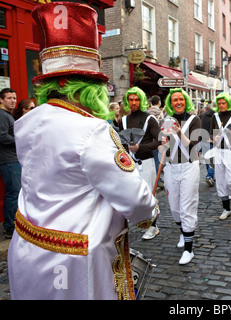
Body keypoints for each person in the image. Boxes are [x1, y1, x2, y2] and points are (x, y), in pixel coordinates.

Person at [7, 2, 157, 300]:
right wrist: (149, 213)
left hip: (27, 246)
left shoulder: (26, 122)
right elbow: (136, 199)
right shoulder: (91, 130)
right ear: (87, 88)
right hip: (74, 262)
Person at [159, 88, 201, 265]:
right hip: (171, 166)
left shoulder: (194, 119)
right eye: (174, 100)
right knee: (175, 208)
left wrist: (178, 132)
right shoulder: (165, 120)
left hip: (189, 166)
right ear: (171, 102)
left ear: (185, 101)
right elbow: (162, 148)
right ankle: (184, 233)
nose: (178, 102)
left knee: (186, 207)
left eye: (181, 99)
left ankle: (188, 249)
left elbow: (192, 145)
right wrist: (163, 144)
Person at [119, 87, 161, 240]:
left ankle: (153, 226)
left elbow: (159, 140)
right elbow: (121, 142)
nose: (134, 102)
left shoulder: (150, 119)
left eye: (137, 99)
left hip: (147, 162)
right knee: (133, 194)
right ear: (127, 101)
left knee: (148, 194)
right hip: (130, 163)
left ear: (142, 100)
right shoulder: (122, 120)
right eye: (131, 100)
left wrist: (140, 147)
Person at [210, 92, 231, 220]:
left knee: (230, 180)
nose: (221, 105)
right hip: (219, 151)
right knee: (220, 182)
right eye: (219, 103)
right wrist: (215, 137)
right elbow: (210, 134)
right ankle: (226, 209)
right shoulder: (215, 116)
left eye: (223, 103)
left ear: (228, 103)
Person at [0, 88, 21, 239]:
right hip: (8, 160)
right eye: (9, 98)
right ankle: (9, 227)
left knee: (15, 193)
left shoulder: (7, 115)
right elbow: (3, 137)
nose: (13, 100)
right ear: (1, 100)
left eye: (14, 98)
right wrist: (21, 141)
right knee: (13, 193)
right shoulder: (2, 116)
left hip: (13, 159)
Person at [199, 104, 215, 186]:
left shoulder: (202, 115)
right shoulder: (216, 116)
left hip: (203, 140)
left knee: (208, 160)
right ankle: (210, 176)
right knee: (213, 160)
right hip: (212, 141)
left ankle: (211, 175)